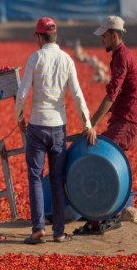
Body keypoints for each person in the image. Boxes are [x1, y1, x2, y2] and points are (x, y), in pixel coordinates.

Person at [15, 17, 96, 244]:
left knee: (35, 177)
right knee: (58, 180)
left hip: (37, 126)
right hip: (58, 127)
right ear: (55, 36)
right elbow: (77, 95)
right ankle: (59, 232)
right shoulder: (67, 60)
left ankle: (38, 228)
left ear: (40, 37)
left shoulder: (36, 58)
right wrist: (87, 124)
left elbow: (22, 94)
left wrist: (19, 117)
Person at [75, 15, 137, 235]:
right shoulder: (117, 57)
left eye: (104, 36)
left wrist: (91, 122)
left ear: (114, 35)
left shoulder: (122, 57)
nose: (101, 40)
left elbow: (112, 95)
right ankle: (108, 212)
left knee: (102, 160)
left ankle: (100, 217)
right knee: (101, 154)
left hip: (127, 121)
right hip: (121, 119)